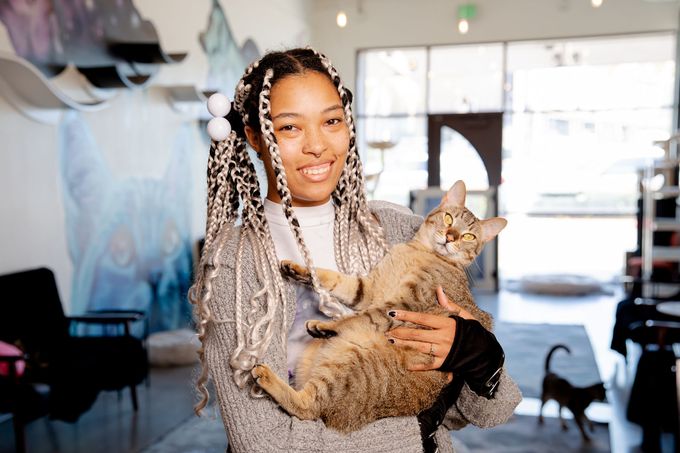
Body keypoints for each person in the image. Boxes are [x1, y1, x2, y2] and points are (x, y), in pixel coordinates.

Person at [189, 47, 521, 453]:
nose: (317, 145)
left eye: (331, 121)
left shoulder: (399, 229)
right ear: (256, 137)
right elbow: (264, 443)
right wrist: (415, 431)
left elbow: (482, 412)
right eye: (290, 128)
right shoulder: (235, 263)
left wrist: (480, 356)